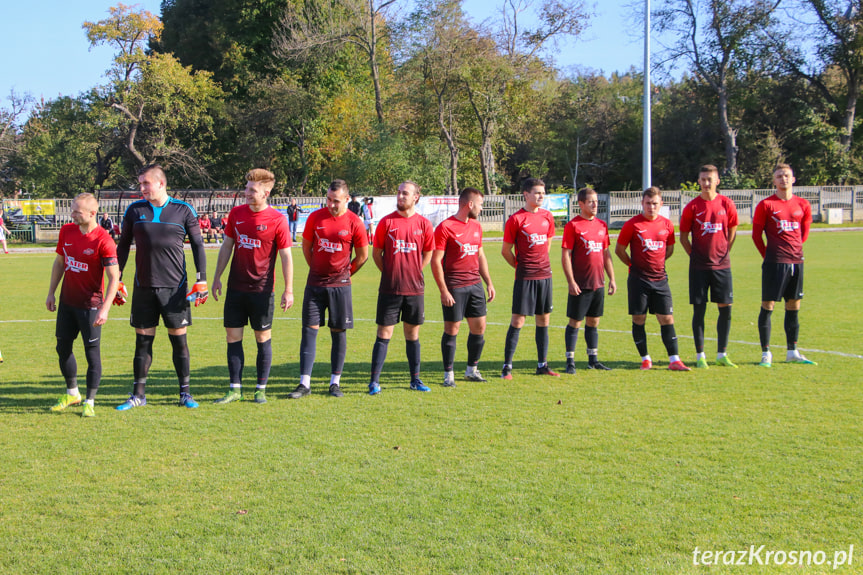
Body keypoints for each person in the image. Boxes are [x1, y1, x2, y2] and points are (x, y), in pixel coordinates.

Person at [115, 164, 208, 410]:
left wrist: (202, 279)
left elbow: (198, 246)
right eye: (140, 184)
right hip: (143, 287)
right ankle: (138, 395)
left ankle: (185, 394)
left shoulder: (183, 210)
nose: (142, 188)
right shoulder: (134, 210)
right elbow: (122, 246)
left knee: (179, 342)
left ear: (161, 184)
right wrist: (117, 278)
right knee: (143, 343)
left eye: (146, 183)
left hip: (175, 289)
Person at [212, 169, 293, 404]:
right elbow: (227, 246)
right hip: (236, 288)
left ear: (266, 192)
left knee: (262, 338)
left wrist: (289, 290)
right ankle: (235, 389)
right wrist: (217, 276)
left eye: (252, 190)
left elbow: (286, 256)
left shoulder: (278, 219)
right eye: (246, 188)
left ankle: (260, 389)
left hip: (262, 290)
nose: (247, 193)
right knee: (232, 337)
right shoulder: (236, 214)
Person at [288, 179, 368, 399]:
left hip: (340, 286)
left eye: (336, 201)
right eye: (329, 200)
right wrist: (316, 268)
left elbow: (363, 256)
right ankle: (304, 383)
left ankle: (335, 383)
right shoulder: (315, 217)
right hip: (315, 284)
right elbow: (306, 247)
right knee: (309, 331)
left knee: (338, 332)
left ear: (346, 199)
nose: (332, 204)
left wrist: (345, 273)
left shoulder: (354, 222)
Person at [45, 193, 120, 417]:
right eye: (72, 210)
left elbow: (114, 277)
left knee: (92, 354)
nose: (72, 214)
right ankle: (72, 393)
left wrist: (105, 308)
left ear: (92, 213)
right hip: (68, 304)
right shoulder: (66, 231)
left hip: (91, 306)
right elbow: (60, 262)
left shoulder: (103, 240)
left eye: (77, 211)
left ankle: (90, 400)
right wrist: (51, 293)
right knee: (62, 347)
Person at [367, 180, 435, 394]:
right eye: (398, 193)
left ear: (416, 197)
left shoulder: (424, 224)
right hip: (390, 289)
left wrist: (415, 269)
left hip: (415, 289)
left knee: (412, 335)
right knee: (384, 333)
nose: (400, 196)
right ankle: (374, 382)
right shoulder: (387, 223)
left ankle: (415, 380)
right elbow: (376, 254)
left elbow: (428, 253)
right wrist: (389, 271)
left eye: (405, 193)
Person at [615, 187, 690, 371]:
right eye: (648, 203)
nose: (651, 207)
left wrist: (657, 263)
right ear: (642, 203)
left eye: (655, 203)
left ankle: (674, 360)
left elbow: (669, 249)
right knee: (639, 318)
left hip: (660, 280)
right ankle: (645, 359)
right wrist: (632, 265)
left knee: (667, 318)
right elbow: (619, 250)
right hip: (638, 280)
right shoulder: (632, 225)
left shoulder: (667, 225)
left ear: (661, 204)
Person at [431, 187, 496, 386]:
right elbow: (436, 261)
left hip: (475, 285)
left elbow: (480, 255)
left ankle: (471, 370)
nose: (482, 208)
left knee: (479, 328)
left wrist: (489, 282)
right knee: (452, 329)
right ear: (469, 204)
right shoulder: (445, 227)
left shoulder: (476, 226)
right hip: (455, 286)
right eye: (481, 204)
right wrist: (443, 290)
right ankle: (448, 374)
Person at [752, 163, 816, 367]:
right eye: (779, 176)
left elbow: (803, 234)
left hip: (796, 261)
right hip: (775, 262)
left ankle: (792, 351)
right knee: (768, 305)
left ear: (793, 179)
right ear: (774, 181)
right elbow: (756, 235)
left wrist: (794, 251)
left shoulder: (803, 204)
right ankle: (766, 353)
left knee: (793, 305)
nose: (783, 179)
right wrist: (769, 255)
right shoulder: (766, 205)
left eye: (787, 175)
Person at [679, 164, 739, 368]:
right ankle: (700, 355)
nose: (706, 183)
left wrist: (724, 252)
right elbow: (684, 237)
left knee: (726, 309)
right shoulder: (692, 207)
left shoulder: (727, 204)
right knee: (699, 310)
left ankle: (722, 353)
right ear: (699, 181)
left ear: (717, 181)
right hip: (699, 267)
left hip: (722, 266)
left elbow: (732, 230)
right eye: (703, 179)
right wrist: (694, 255)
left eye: (710, 179)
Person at [500, 178, 558, 379]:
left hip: (545, 276)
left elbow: (548, 244)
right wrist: (520, 266)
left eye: (543, 193)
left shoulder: (547, 217)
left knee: (544, 319)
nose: (541, 196)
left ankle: (542, 364)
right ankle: (507, 366)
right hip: (525, 277)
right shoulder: (516, 219)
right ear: (526, 195)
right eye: (537, 192)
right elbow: (505, 251)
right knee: (518, 320)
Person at [560, 187, 617, 373]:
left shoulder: (601, 226)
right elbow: (566, 255)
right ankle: (570, 361)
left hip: (598, 283)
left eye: (596, 201)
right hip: (580, 284)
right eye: (590, 201)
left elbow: (606, 254)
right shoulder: (573, 226)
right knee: (575, 322)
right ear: (581, 204)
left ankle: (593, 360)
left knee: (593, 322)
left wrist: (612, 279)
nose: (594, 204)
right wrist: (571, 281)